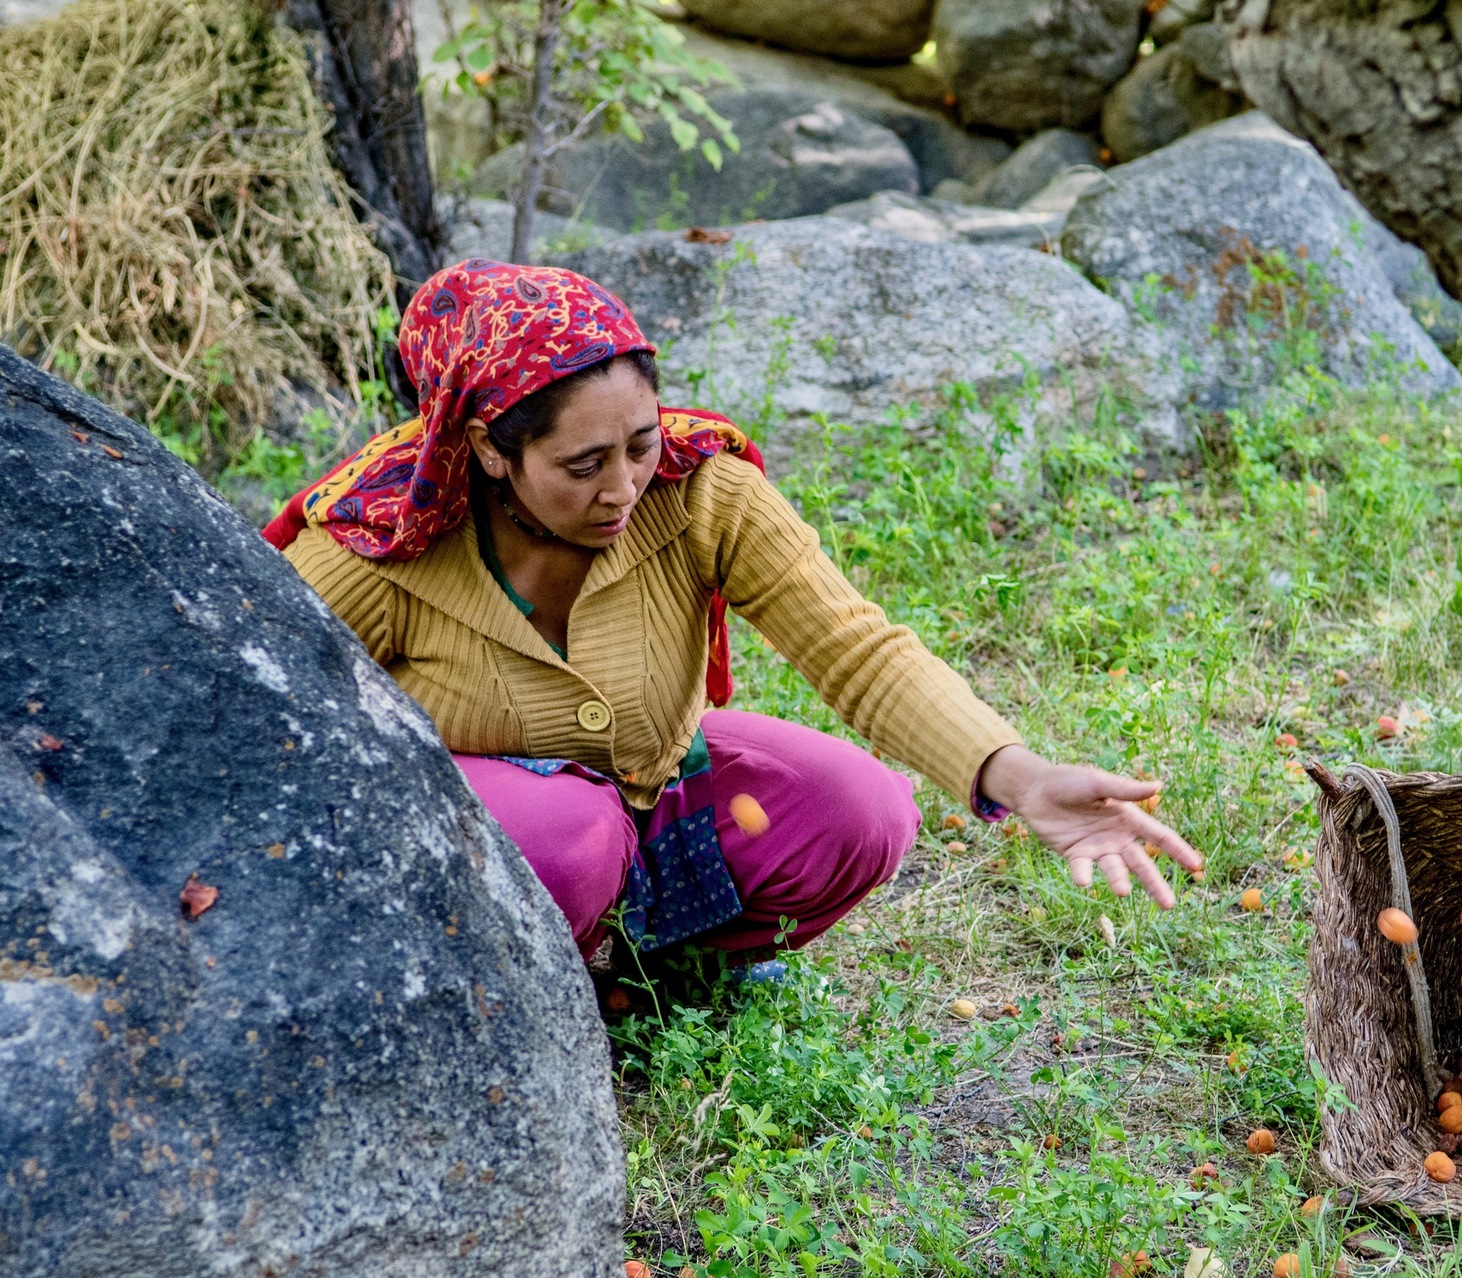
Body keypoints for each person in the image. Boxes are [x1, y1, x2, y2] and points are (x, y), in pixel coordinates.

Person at [267, 261, 1199, 984]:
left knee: (860, 811)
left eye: (640, 443)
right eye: (583, 464)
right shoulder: (375, 544)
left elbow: (857, 649)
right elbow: (265, 715)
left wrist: (1019, 775)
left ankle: (635, 982)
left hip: (648, 784)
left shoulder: (701, 490)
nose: (625, 487)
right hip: (485, 845)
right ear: (489, 450)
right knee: (564, 838)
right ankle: (504, 990)